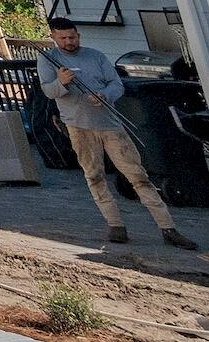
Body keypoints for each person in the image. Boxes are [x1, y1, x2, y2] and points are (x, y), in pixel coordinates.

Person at [38, 16, 196, 249]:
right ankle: (115, 225)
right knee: (94, 176)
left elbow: (116, 84)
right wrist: (61, 82)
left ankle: (167, 228)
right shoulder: (48, 60)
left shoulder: (96, 56)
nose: (69, 41)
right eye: (63, 38)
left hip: (110, 124)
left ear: (78, 35)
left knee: (137, 175)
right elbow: (49, 92)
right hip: (78, 127)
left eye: (72, 37)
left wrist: (104, 96)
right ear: (53, 37)